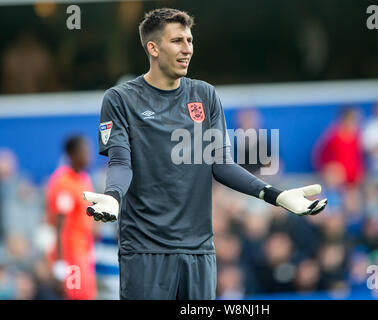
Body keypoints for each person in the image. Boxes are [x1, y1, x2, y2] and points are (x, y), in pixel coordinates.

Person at [82, 8, 327, 300]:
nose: (187, 49)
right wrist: (113, 196)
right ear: (153, 48)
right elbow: (121, 161)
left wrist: (276, 195)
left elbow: (221, 165)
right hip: (145, 251)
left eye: (190, 40)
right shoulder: (120, 99)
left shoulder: (205, 95)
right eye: (177, 41)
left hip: (199, 251)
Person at [45, 136, 97, 300]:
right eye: (84, 151)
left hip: (84, 251)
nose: (89, 155)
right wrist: (60, 267)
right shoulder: (63, 183)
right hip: (71, 255)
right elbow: (59, 227)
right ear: (72, 154)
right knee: (77, 296)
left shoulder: (83, 179)